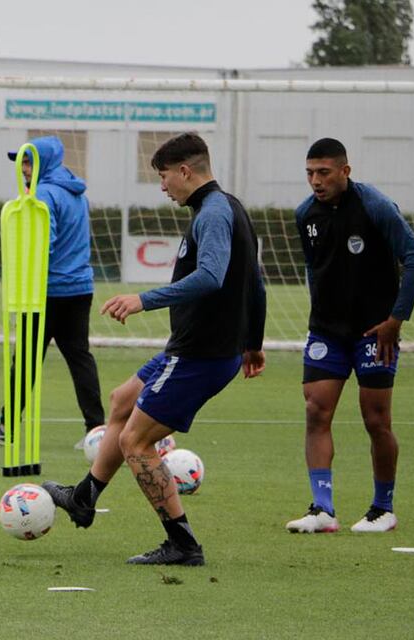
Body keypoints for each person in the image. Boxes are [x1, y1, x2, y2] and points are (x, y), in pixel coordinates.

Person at [42, 133, 266, 566]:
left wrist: (143, 300)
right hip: (194, 348)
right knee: (122, 400)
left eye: (164, 177)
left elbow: (211, 277)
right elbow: (256, 284)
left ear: (185, 171)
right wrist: (253, 344)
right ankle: (83, 499)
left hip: (200, 354)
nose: (162, 186)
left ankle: (183, 544)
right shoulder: (229, 207)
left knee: (136, 443)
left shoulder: (213, 213)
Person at [286, 138, 414, 534]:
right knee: (316, 411)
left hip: (374, 333)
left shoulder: (375, 206)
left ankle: (383, 509)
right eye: (310, 173)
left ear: (345, 171)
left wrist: (395, 321)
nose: (316, 180)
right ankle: (323, 509)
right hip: (327, 332)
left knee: (376, 419)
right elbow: (315, 267)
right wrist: (321, 312)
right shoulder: (305, 213)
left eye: (324, 172)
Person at [0, 136, 105, 448]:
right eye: (22, 162)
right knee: (79, 358)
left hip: (48, 291)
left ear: (45, 162)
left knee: (26, 361)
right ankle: (97, 430)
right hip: (79, 288)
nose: (23, 168)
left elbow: (42, 243)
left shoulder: (42, 193)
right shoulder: (76, 192)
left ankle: (6, 426)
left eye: (29, 162)